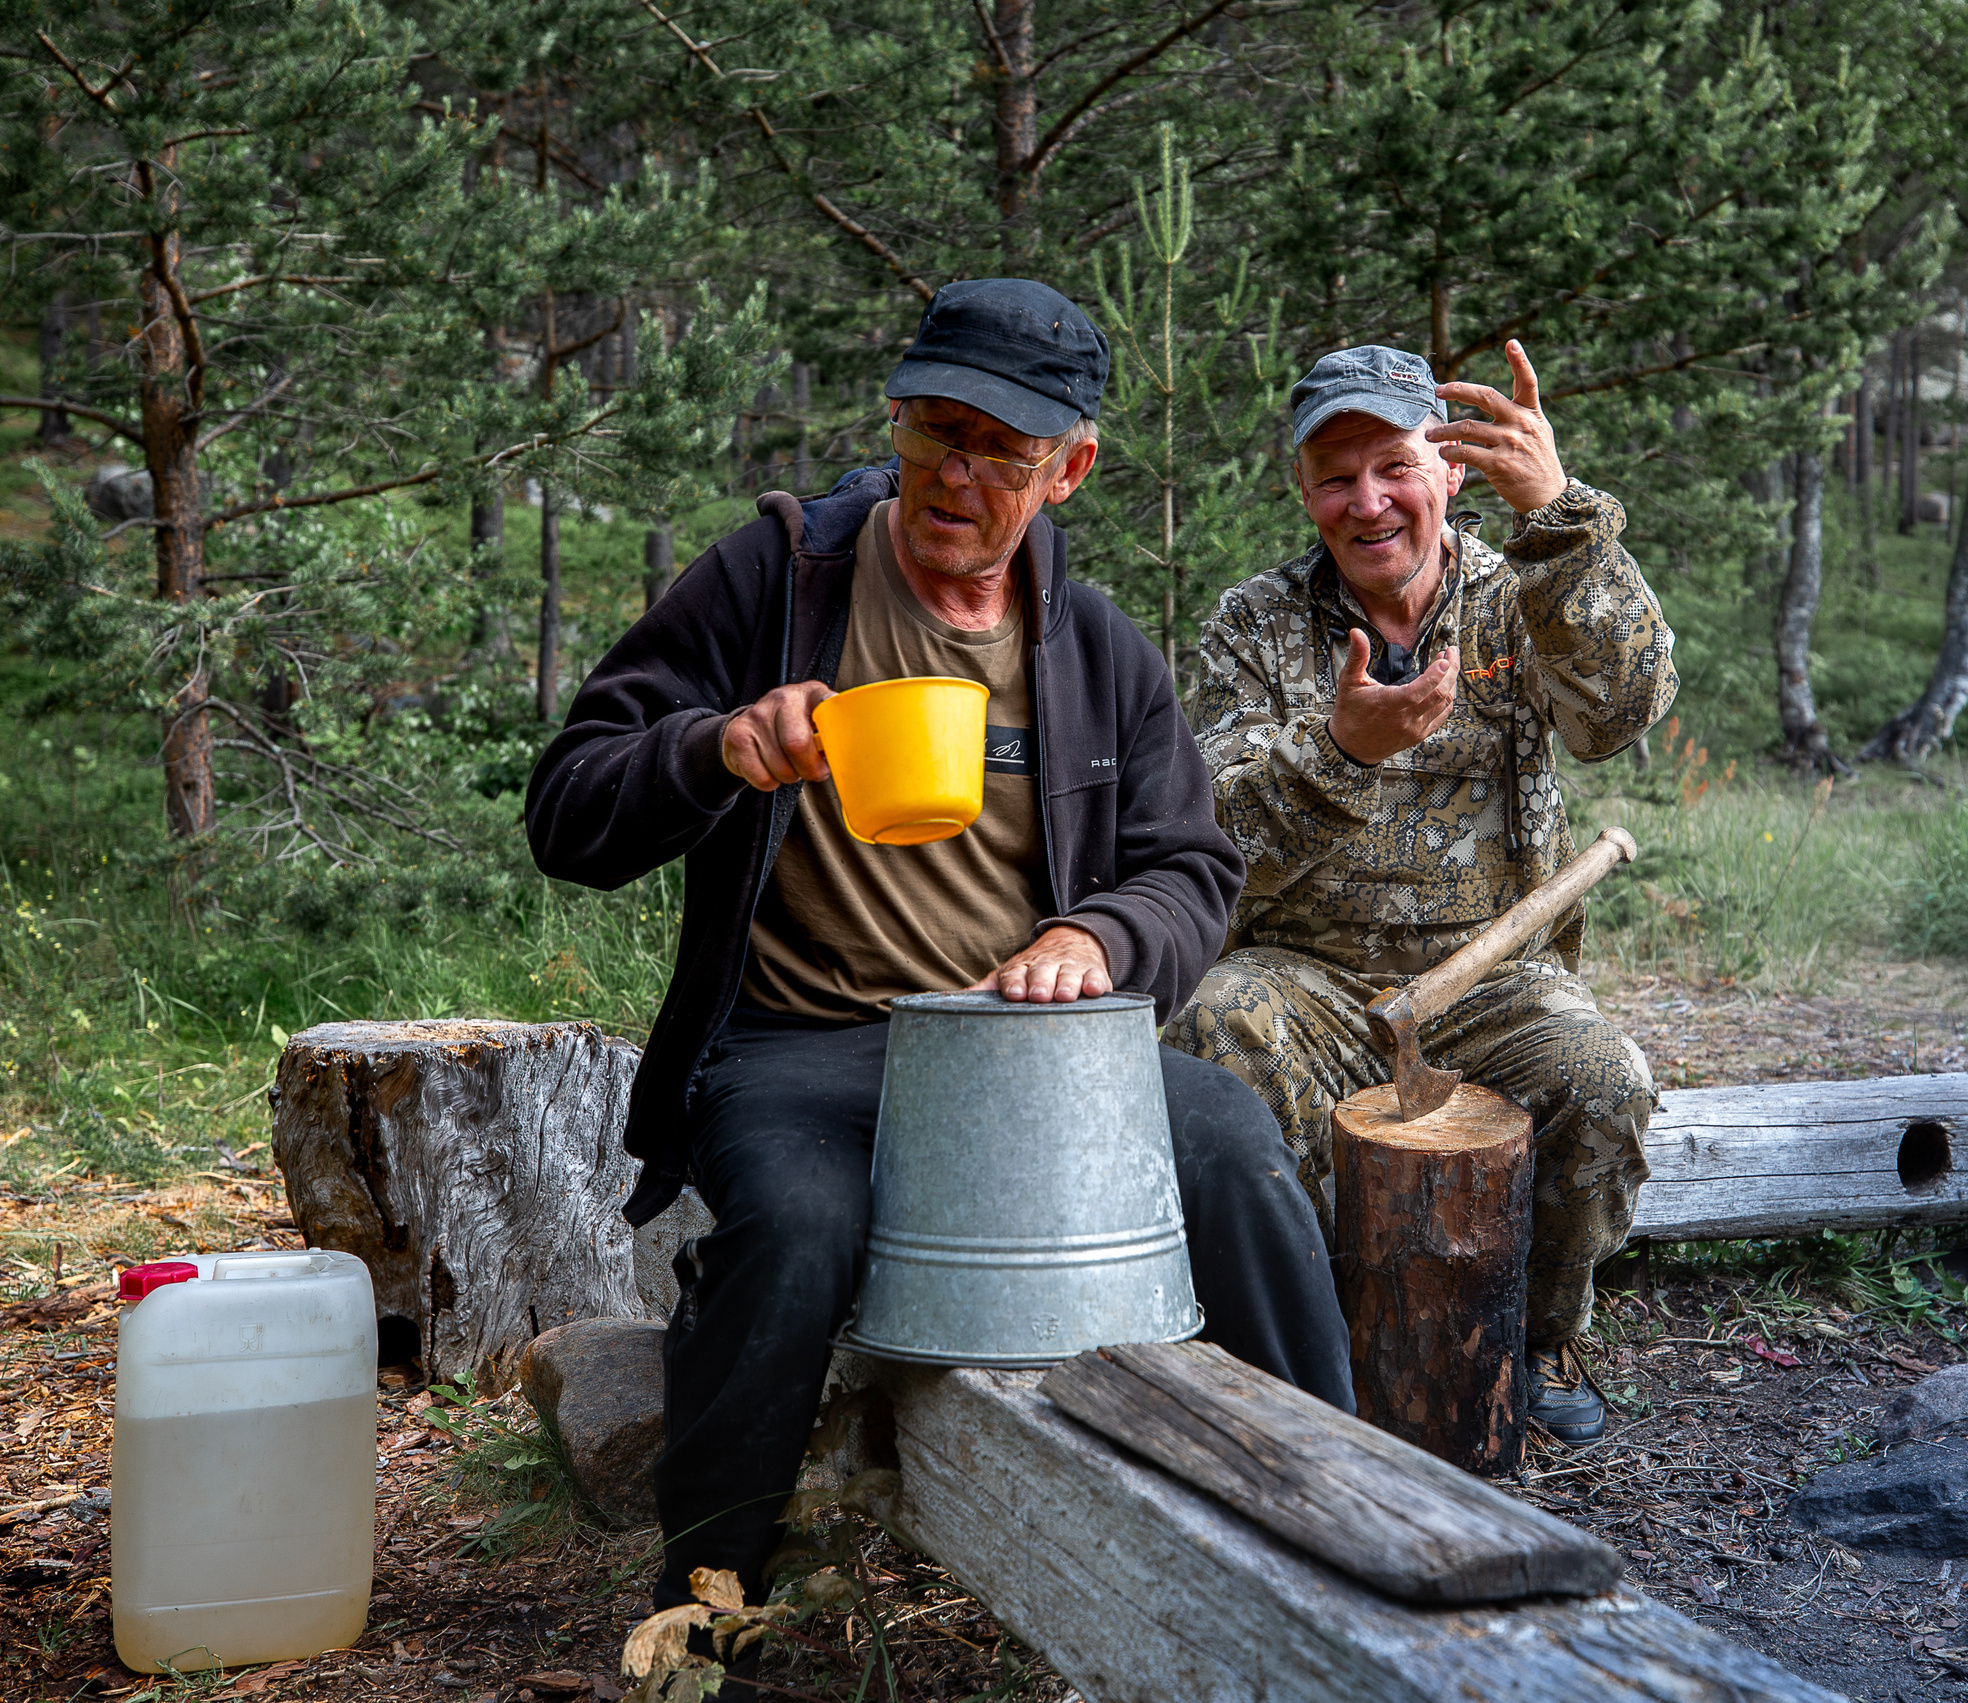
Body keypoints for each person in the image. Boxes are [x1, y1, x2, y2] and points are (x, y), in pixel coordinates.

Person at [525, 279, 1352, 1609]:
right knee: (795, 1227)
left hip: (1022, 1056)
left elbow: (1192, 864)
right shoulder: (773, 584)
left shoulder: (1092, 648)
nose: (954, 476)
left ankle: (1340, 1521)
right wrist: (720, 747)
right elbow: (568, 807)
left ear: (1070, 466)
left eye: (999, 451)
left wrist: (1097, 933)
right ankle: (705, 1616)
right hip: (797, 1048)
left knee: (1236, 1149)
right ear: (895, 417)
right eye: (932, 432)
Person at [1163, 339, 1676, 1446]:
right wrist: (1339, 748)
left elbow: (1622, 713)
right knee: (1214, 1025)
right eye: (1336, 477)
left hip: (1494, 975)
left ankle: (1531, 1334)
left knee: (1602, 1077)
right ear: (1302, 491)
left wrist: (1563, 517)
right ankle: (1316, 1339)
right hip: (1306, 974)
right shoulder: (1252, 626)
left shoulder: (1518, 593)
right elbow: (1212, 842)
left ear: (1448, 470)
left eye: (1394, 465)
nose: (1368, 501)